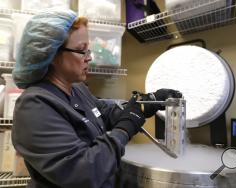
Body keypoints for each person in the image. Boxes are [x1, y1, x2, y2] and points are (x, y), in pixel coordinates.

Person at [11, 9, 182, 188]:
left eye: (88, 50)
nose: (89, 58)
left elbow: (104, 112)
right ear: (51, 54)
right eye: (81, 51)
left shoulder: (76, 89)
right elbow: (84, 173)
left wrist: (145, 103)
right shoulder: (34, 106)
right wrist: (125, 129)